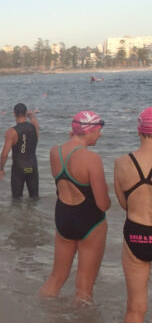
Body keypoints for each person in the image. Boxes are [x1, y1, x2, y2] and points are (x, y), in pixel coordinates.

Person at [40, 111, 110, 302]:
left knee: (56, 278)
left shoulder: (55, 152)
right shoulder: (91, 158)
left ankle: (40, 311)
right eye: (99, 130)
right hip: (90, 221)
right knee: (84, 286)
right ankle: (81, 321)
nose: (100, 135)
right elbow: (103, 204)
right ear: (89, 131)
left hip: (63, 217)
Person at [114, 107, 152, 323]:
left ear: (139, 131)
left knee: (135, 308)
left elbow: (123, 203)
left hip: (137, 233)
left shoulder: (122, 163)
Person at [0, 103, 39, 198]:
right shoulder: (34, 127)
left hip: (19, 168)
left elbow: (4, 154)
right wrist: (31, 115)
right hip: (32, 167)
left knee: (16, 199)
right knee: (34, 198)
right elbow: (33, 120)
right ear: (26, 113)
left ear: (14, 114)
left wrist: (1, 169)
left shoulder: (12, 132)